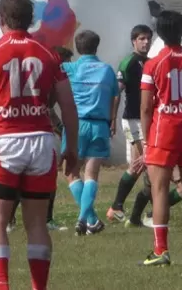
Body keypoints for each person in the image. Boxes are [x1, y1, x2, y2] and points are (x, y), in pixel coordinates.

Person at [0, 0, 80, 290]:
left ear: (1, 19)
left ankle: (1, 286)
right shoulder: (49, 54)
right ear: (32, 19)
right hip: (41, 142)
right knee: (37, 223)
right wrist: (71, 148)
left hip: (5, 143)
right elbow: (68, 106)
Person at [139, 10, 182, 267]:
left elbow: (146, 108)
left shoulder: (153, 63)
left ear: (159, 32)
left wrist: (146, 140)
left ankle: (161, 250)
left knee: (159, 192)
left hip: (163, 135)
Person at [5, 46, 73, 234]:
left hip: (42, 135)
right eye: (65, 62)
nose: (67, 66)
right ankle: (10, 219)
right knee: (20, 181)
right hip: (23, 135)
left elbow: (52, 107)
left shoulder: (54, 75)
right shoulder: (42, 71)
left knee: (48, 180)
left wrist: (61, 131)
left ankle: (47, 219)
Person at [62, 30, 118, 236]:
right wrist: (112, 120)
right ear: (97, 46)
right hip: (99, 125)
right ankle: (88, 220)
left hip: (76, 125)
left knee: (71, 172)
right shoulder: (107, 70)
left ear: (77, 48)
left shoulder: (70, 68)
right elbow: (114, 96)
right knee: (91, 173)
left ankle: (87, 219)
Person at [108, 24, 154, 224]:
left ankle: (120, 209)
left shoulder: (151, 62)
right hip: (133, 119)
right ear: (133, 41)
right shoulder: (129, 63)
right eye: (142, 38)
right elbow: (117, 92)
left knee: (139, 165)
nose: (145, 42)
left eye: (148, 39)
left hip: (146, 118)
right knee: (144, 163)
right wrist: (112, 119)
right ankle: (127, 210)